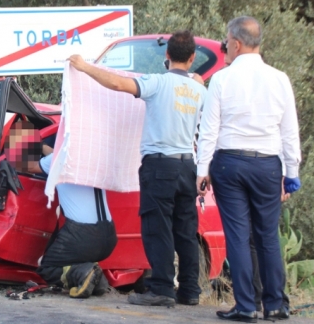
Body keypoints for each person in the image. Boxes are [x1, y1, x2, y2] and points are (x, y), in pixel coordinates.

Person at [68, 30, 206, 307]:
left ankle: (162, 289)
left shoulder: (157, 83)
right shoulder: (199, 89)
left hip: (160, 166)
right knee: (185, 231)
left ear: (166, 55)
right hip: (188, 166)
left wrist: (84, 67)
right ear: (192, 58)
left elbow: (119, 85)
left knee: (158, 229)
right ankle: (190, 290)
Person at [196, 16, 301, 322]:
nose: (224, 46)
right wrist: (291, 173)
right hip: (268, 164)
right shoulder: (279, 78)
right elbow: (289, 131)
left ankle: (245, 305)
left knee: (238, 236)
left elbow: (209, 130)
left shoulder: (222, 79)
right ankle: (276, 304)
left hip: (230, 164)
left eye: (226, 42)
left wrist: (202, 170)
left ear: (237, 44)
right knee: (268, 235)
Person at [33, 151, 118, 299]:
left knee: (47, 268)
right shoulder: (96, 157)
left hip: (82, 235)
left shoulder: (62, 156)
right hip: (110, 236)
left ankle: (83, 274)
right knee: (75, 257)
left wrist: (29, 148)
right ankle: (97, 281)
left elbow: (30, 167)